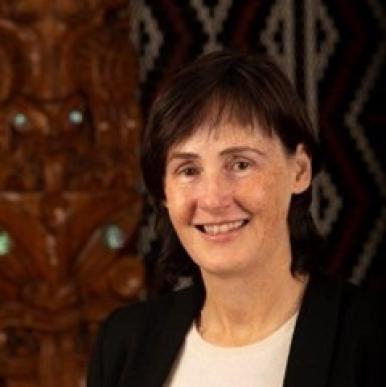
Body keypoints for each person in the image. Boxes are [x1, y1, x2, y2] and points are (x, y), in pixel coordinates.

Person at [87, 50, 386, 387]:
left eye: (240, 164)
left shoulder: (373, 339)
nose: (213, 199)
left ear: (299, 170)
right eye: (189, 170)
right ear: (164, 194)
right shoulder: (124, 344)